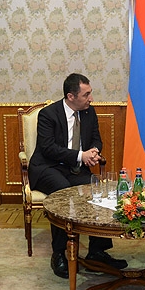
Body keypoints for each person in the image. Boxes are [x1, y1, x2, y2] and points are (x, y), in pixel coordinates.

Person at [29, 73, 127, 279]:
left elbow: (96, 139)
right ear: (70, 96)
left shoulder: (89, 112)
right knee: (63, 193)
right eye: (86, 95)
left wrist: (94, 152)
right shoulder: (48, 114)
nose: (91, 98)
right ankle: (59, 253)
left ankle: (97, 252)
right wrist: (81, 156)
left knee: (97, 190)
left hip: (74, 168)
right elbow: (48, 148)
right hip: (48, 167)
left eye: (90, 93)